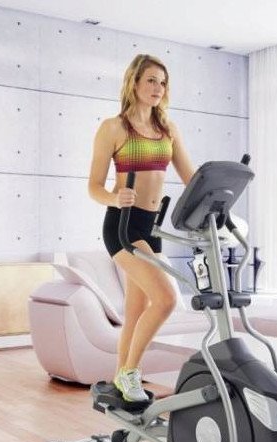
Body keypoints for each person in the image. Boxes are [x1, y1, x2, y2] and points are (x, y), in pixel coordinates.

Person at [88, 54, 196, 402]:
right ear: (134, 83)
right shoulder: (114, 128)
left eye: (162, 82)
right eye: (151, 80)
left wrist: (214, 196)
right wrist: (113, 197)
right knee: (165, 299)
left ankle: (120, 377)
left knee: (136, 311)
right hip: (122, 225)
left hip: (151, 226)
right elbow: (93, 187)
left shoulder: (168, 130)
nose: (157, 88)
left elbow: (191, 178)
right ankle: (130, 373)